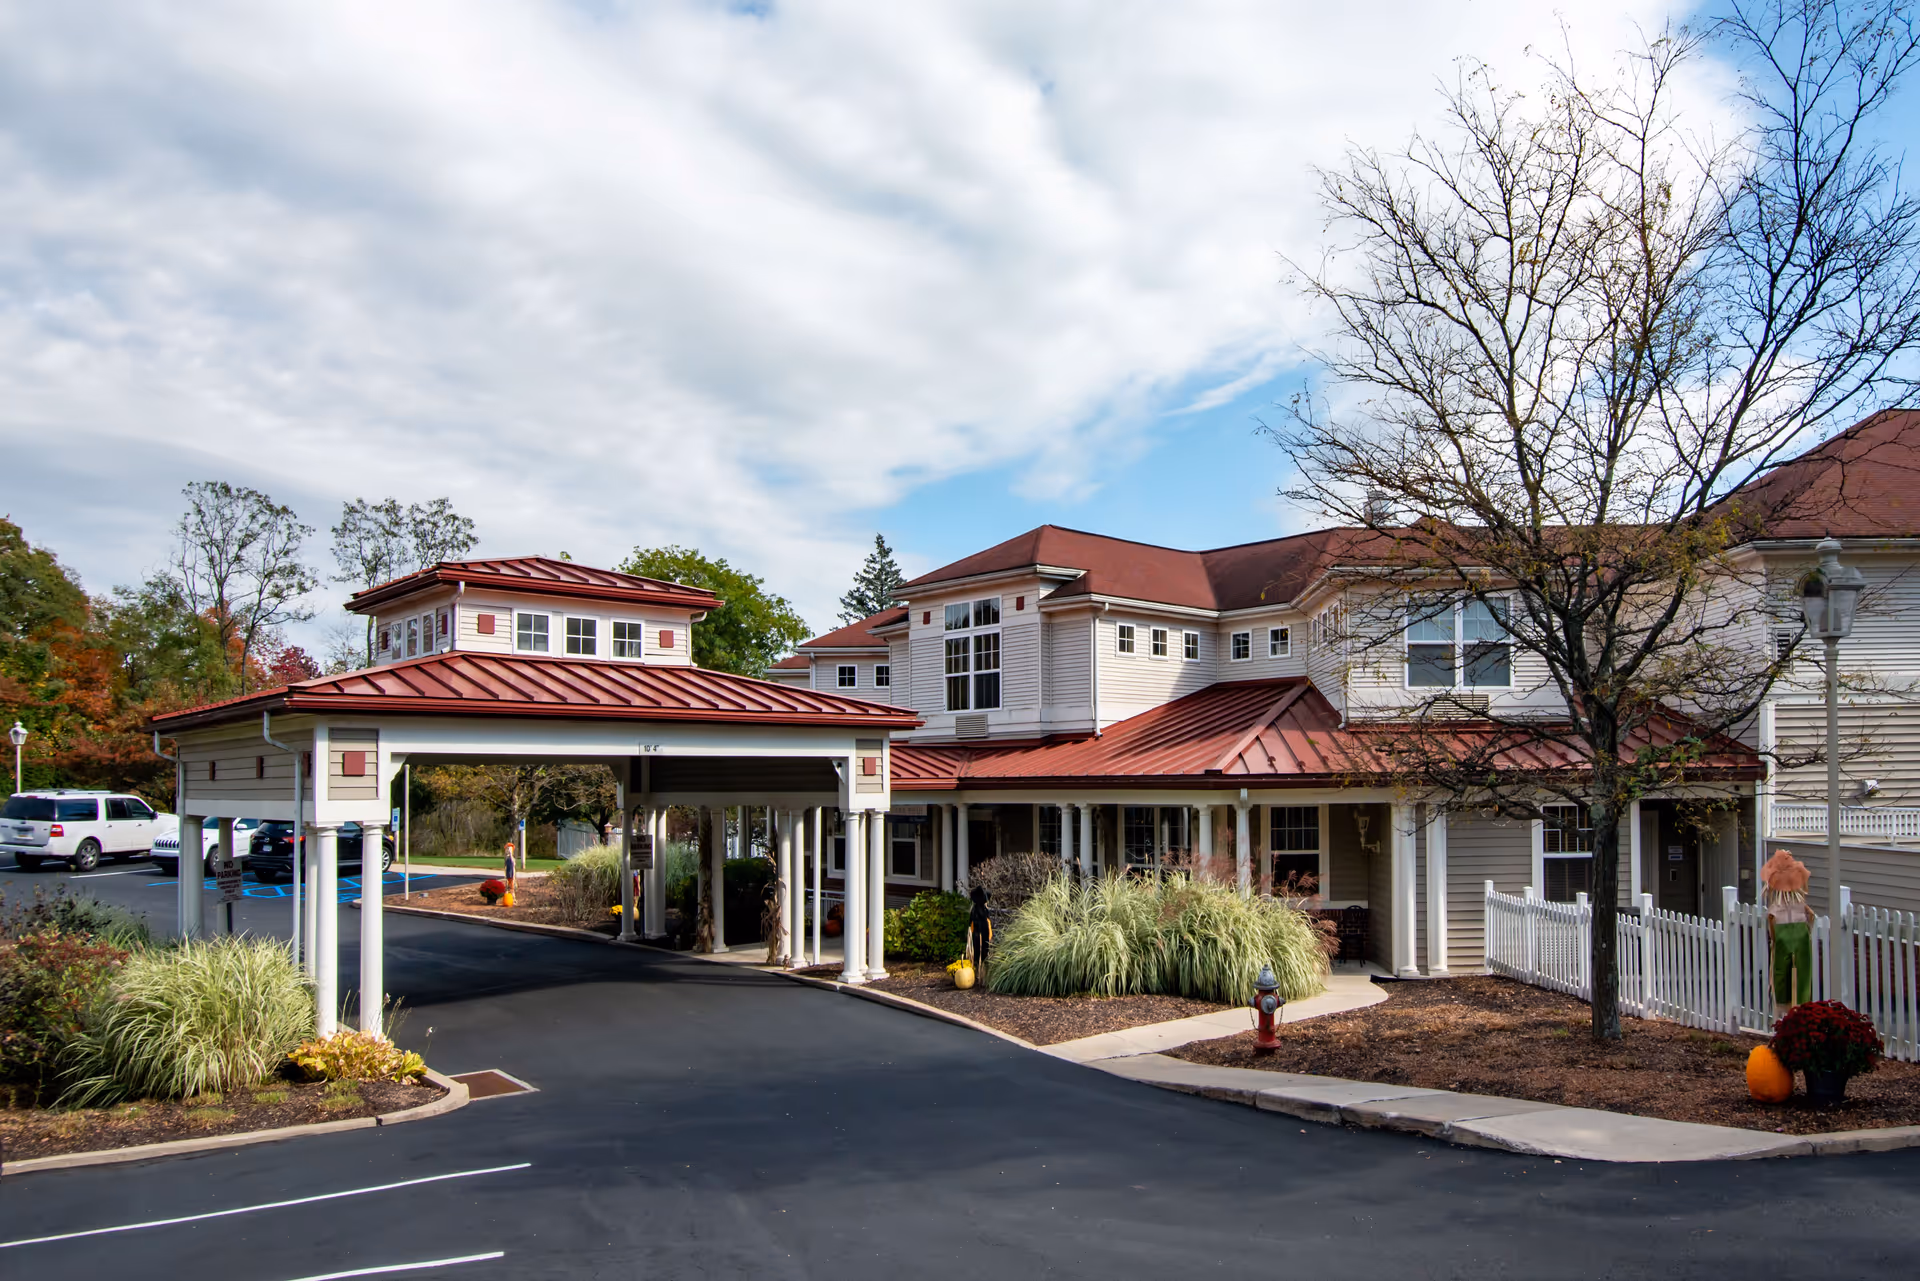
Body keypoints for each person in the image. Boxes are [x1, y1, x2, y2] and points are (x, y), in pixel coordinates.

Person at [1762, 849, 1813, 1012]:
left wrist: (1774, 937)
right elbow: (1811, 916)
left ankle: (1783, 1007)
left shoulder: (1776, 906)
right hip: (1801, 933)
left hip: (1783, 934)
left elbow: (1771, 920)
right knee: (1803, 971)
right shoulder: (1800, 903)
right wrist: (1807, 930)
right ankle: (1801, 1004)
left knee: (1780, 972)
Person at [967, 884, 992, 976]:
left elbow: (971, 923)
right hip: (980, 931)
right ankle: (980, 972)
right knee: (982, 950)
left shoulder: (976, 909)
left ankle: (979, 971)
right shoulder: (982, 910)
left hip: (979, 932)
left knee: (980, 950)